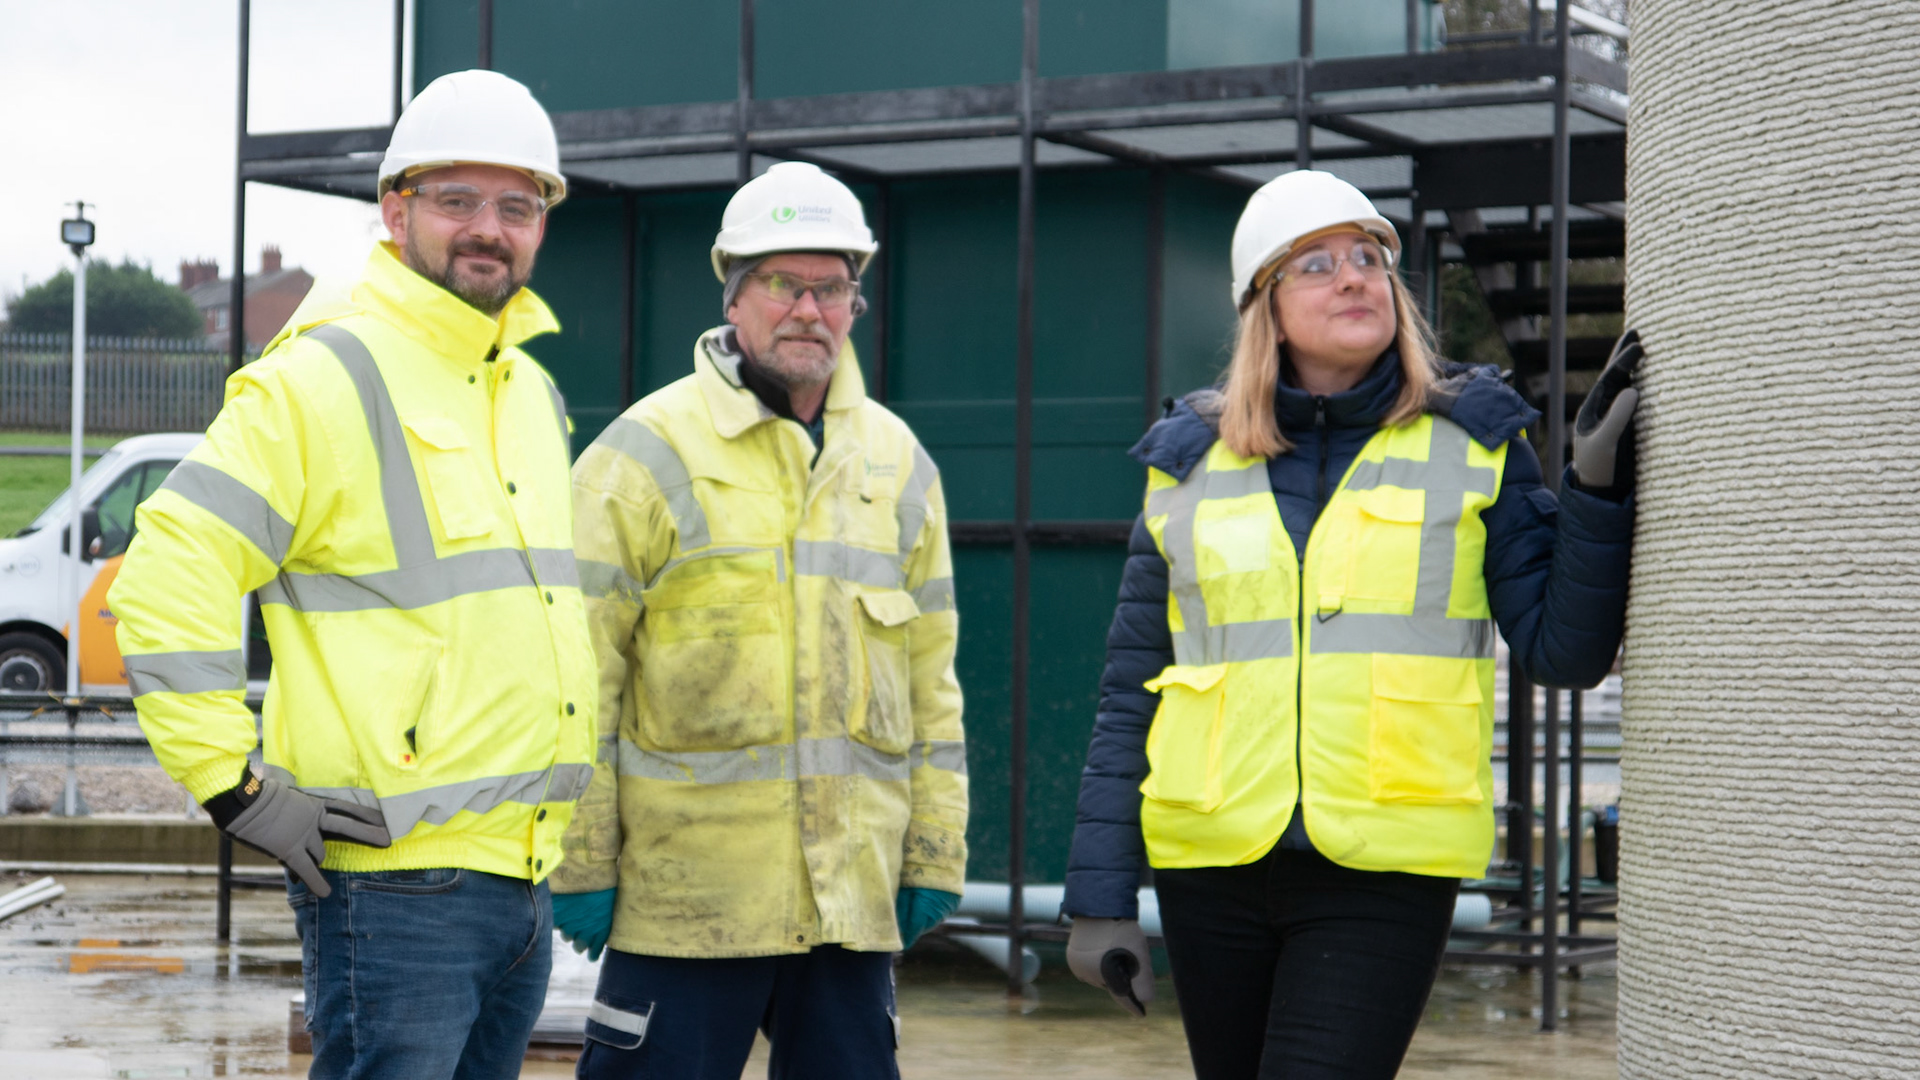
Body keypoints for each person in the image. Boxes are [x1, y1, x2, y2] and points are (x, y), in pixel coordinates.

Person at [1060, 170, 1638, 1079]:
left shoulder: (1475, 441)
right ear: (1266, 307)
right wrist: (1098, 896)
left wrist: (1596, 490)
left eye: (1369, 259)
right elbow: (1132, 688)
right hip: (1211, 862)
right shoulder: (1185, 463)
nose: (1355, 278)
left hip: (1384, 868)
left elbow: (1563, 651)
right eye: (1318, 265)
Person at [109, 69, 597, 1080]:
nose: (488, 230)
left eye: (516, 206)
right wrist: (232, 789)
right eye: (456, 201)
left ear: (543, 223)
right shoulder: (326, 374)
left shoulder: (531, 395)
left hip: (523, 879)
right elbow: (169, 569)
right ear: (394, 210)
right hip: (393, 892)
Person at [548, 161, 969, 1078]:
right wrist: (581, 863)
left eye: (832, 287)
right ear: (734, 297)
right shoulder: (641, 456)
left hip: (849, 904)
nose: (809, 309)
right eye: (783, 283)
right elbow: (575, 681)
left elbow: (933, 684)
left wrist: (934, 848)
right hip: (684, 907)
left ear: (856, 303)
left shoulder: (896, 465)